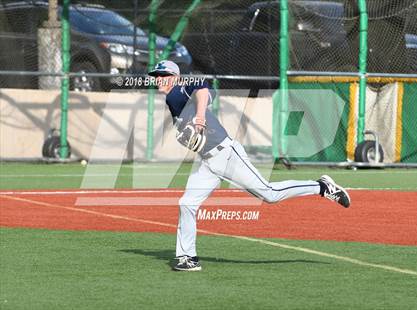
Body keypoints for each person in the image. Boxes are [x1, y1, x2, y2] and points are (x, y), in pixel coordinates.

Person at [148, 60, 351, 272]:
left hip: (226, 155)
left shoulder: (181, 89)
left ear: (175, 75)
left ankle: (322, 187)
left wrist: (199, 116)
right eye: (157, 76)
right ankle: (188, 258)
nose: (159, 79)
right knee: (187, 203)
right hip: (207, 162)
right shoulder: (172, 101)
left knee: (270, 194)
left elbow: (203, 89)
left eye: (163, 75)